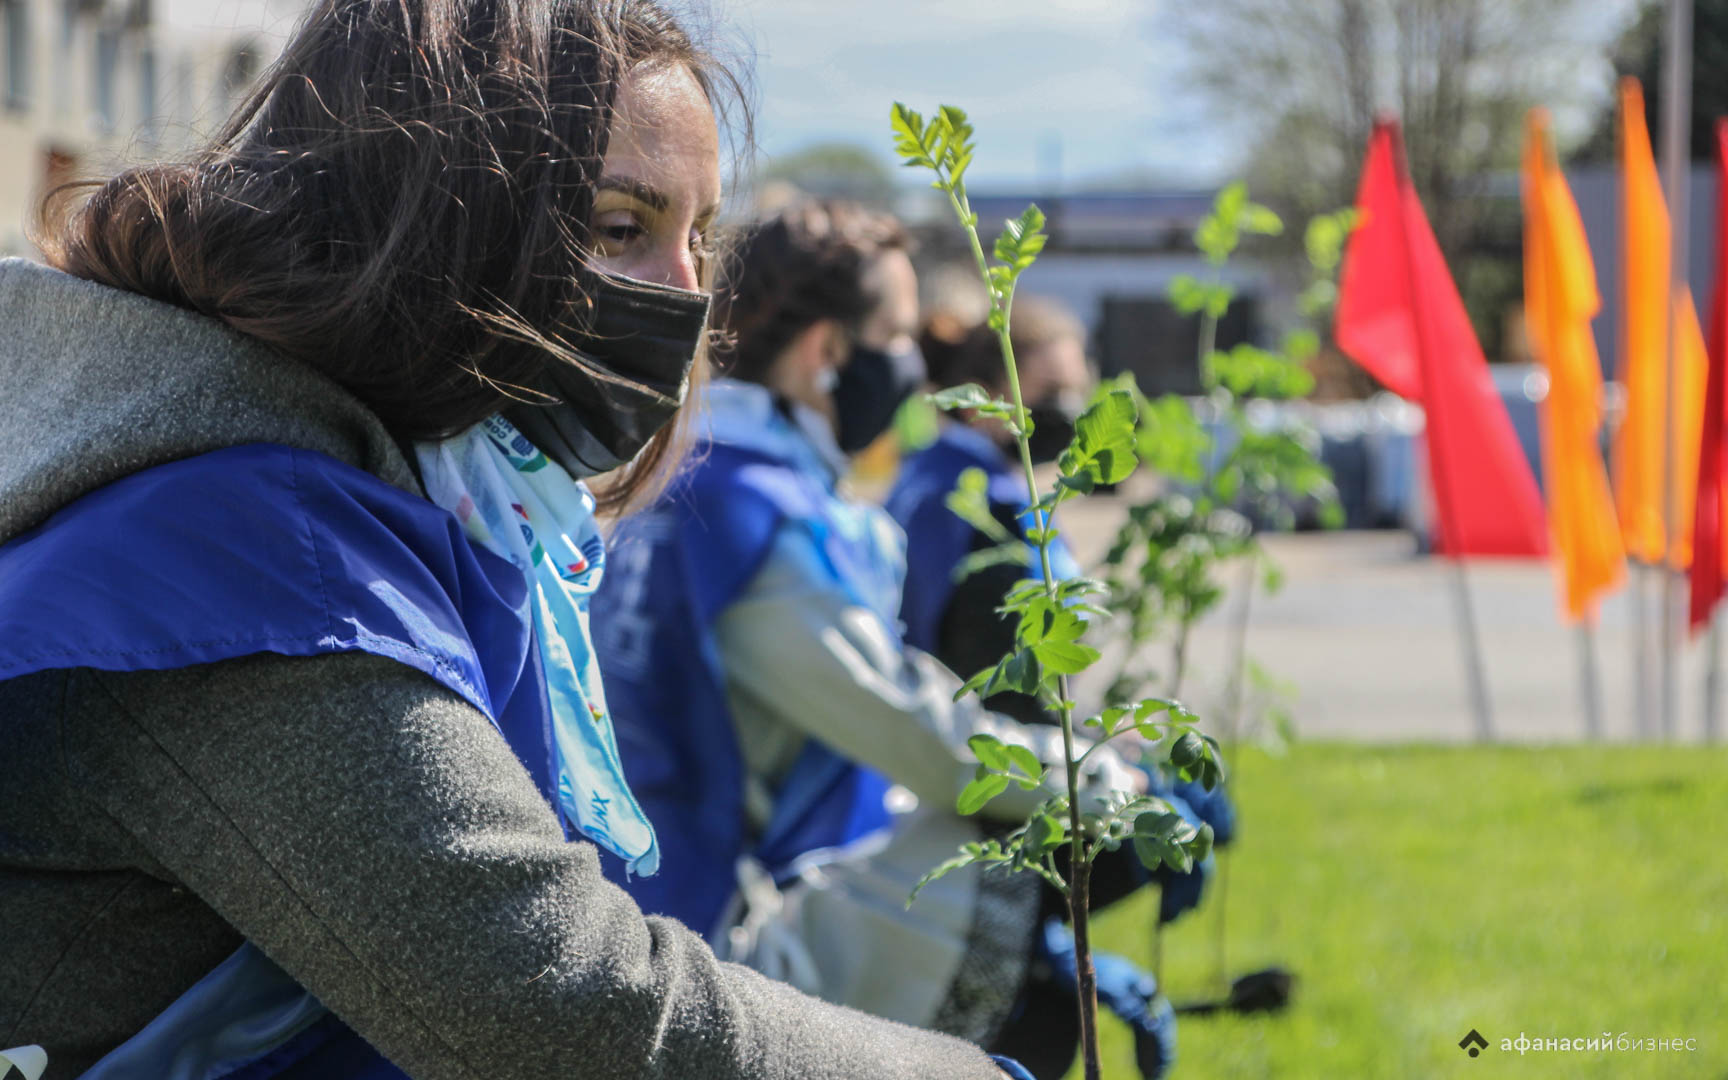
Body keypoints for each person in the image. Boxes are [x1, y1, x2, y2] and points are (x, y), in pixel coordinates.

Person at [0, 2, 1027, 1077]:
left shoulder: (418, 502)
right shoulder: (244, 556)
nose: (689, 299)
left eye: (702, 238)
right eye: (620, 227)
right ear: (424, 217)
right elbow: (569, 1014)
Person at [591, 200, 1150, 1072]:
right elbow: (922, 740)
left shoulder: (678, 479)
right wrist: (1099, 781)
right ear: (827, 353)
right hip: (702, 956)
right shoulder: (757, 518)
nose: (914, 372)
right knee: (1025, 843)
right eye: (896, 338)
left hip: (640, 903)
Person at [886, 302, 1240, 1079]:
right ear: (990, 391)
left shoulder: (953, 481)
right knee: (1021, 1036)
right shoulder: (981, 507)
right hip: (989, 811)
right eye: (1055, 390)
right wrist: (1110, 781)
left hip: (999, 786)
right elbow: (986, 692)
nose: (1071, 413)